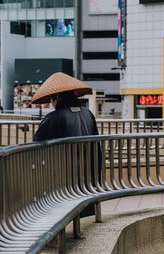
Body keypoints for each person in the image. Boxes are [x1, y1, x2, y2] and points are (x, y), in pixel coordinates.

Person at [32, 72, 101, 217]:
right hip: (89, 173)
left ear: (57, 97)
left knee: (65, 211)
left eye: (52, 98)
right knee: (85, 209)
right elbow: (97, 144)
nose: (51, 102)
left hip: (63, 177)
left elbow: (37, 145)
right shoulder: (88, 114)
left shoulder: (54, 118)